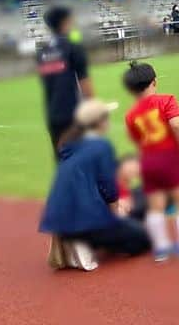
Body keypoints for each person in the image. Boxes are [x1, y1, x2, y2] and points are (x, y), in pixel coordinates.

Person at [40, 99, 151, 270]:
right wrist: (115, 214)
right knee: (142, 239)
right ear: (99, 123)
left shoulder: (68, 144)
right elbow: (107, 186)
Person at [123, 62, 179, 262]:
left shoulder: (130, 114)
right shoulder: (166, 100)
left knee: (156, 206)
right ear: (154, 82)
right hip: (170, 157)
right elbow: (176, 123)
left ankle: (161, 250)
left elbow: (136, 139)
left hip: (148, 161)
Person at [37, 6, 94, 158]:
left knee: (63, 161)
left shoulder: (42, 53)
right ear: (65, 21)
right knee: (81, 160)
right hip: (73, 114)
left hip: (52, 115)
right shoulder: (73, 47)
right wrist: (93, 111)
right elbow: (84, 82)